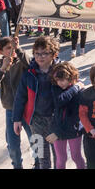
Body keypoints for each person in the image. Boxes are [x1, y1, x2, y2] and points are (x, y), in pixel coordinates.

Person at [0, 36, 39, 168]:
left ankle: (38, 163)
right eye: (8, 48)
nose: (12, 50)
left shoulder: (21, 62)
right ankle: (17, 165)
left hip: (27, 108)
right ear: (1, 52)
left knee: (34, 139)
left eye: (13, 47)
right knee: (12, 144)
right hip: (10, 109)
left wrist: (19, 49)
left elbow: (31, 64)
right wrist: (2, 69)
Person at [13, 36, 61, 169]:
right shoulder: (29, 73)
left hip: (56, 121)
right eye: (37, 53)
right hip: (36, 121)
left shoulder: (61, 71)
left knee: (59, 156)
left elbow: (72, 87)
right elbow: (20, 97)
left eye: (45, 53)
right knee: (41, 157)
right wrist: (16, 119)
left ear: (54, 54)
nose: (40, 57)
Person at [46, 62, 86, 169]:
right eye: (57, 80)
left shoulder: (79, 92)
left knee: (76, 156)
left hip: (73, 130)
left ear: (71, 77)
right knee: (61, 158)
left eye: (62, 79)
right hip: (57, 129)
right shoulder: (56, 88)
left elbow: (74, 116)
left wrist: (76, 88)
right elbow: (60, 101)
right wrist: (76, 87)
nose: (60, 83)